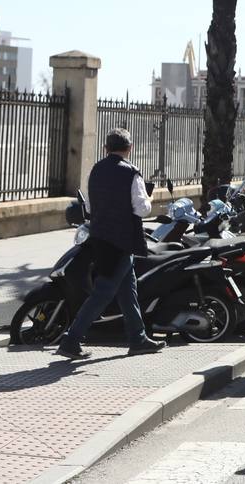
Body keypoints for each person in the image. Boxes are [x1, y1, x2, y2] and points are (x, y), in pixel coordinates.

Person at [56, 129, 166, 360]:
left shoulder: (96, 170)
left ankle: (138, 338)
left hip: (100, 238)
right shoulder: (131, 173)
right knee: (103, 293)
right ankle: (71, 340)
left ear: (106, 148)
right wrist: (150, 198)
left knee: (128, 291)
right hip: (123, 240)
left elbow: (91, 207)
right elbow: (142, 209)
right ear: (130, 148)